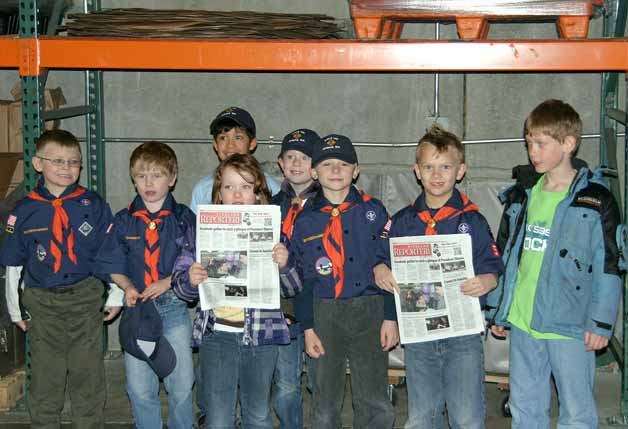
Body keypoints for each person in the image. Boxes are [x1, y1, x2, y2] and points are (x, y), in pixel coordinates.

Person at [487, 99, 624, 427]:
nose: (532, 151)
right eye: (529, 142)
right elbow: (505, 254)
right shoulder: (522, 194)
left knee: (576, 411)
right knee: (525, 405)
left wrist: (601, 323)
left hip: (570, 325)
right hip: (523, 320)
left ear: (568, 144)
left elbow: (609, 263)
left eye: (540, 143)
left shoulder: (596, 199)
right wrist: (498, 309)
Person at [374, 124, 503, 428]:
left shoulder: (472, 219)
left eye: (445, 166)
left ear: (461, 171)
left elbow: (493, 265)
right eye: (429, 167)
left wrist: (487, 281)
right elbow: (383, 262)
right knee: (421, 414)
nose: (437, 175)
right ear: (416, 171)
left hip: (463, 335)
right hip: (418, 335)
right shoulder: (402, 222)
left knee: (466, 416)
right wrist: (382, 276)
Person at [0, 129, 122, 428]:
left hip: (85, 298)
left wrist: (117, 295)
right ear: (38, 164)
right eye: (58, 161)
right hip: (42, 303)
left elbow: (111, 253)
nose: (67, 169)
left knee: (88, 373)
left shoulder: (93, 205)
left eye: (74, 162)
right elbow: (13, 266)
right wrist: (15, 310)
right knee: (45, 376)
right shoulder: (24, 210)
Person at [172, 153, 302, 429]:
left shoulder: (276, 232)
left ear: (258, 193)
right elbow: (180, 286)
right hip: (217, 335)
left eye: (245, 186)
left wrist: (285, 263)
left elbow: (293, 287)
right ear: (218, 193)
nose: (238, 194)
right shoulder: (199, 231)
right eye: (229, 187)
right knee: (219, 419)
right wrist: (189, 279)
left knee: (258, 415)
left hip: (261, 335)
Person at [289, 134, 398, 428]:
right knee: (324, 399)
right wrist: (308, 328)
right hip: (325, 312)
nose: (336, 170)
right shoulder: (305, 220)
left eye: (343, 164)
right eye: (327, 164)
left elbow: (389, 266)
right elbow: (303, 280)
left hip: (371, 309)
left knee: (374, 396)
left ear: (356, 169)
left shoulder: (374, 212)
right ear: (314, 172)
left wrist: (391, 317)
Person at [95, 141, 195, 429]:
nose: (149, 183)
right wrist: (127, 287)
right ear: (133, 179)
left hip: (174, 309)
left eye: (157, 175)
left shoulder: (184, 218)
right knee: (140, 387)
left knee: (181, 384)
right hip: (137, 311)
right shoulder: (124, 220)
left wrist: (168, 282)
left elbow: (195, 261)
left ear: (172, 179)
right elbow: (113, 263)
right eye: (142, 176)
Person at [271, 128, 321, 429]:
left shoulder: (329, 206)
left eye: (304, 157)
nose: (297, 163)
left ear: (316, 164)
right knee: (286, 384)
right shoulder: (269, 207)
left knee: (320, 381)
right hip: (282, 306)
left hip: (317, 305)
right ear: (280, 163)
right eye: (290, 157)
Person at [190, 106, 280, 214]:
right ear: (215, 145)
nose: (230, 145)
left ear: (252, 143)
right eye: (223, 138)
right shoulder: (202, 189)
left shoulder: (271, 187)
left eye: (238, 137)